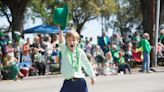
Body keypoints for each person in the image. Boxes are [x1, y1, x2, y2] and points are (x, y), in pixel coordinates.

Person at [59, 27, 95, 92]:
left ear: (77, 41)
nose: (71, 42)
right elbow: (61, 42)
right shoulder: (64, 51)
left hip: (80, 82)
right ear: (66, 41)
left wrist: (92, 76)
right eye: (69, 40)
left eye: (73, 40)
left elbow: (86, 64)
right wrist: (60, 29)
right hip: (68, 82)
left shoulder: (80, 52)